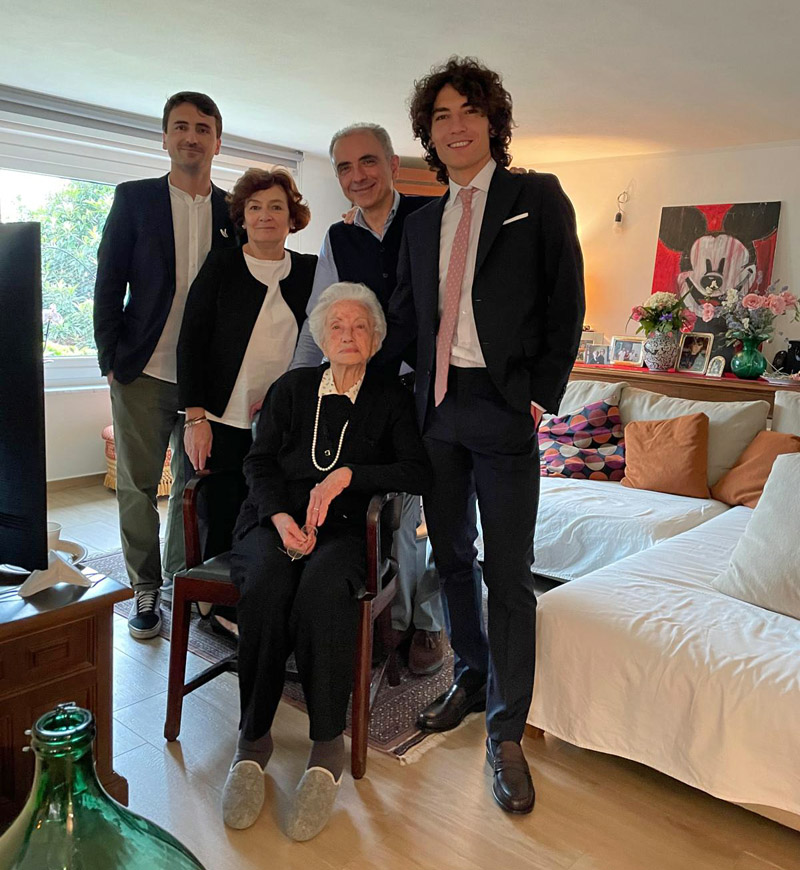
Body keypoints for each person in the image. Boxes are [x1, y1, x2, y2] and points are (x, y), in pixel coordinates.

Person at [379, 57, 585, 814]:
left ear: (493, 121)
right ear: (429, 135)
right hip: (437, 409)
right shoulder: (419, 222)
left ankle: (507, 730)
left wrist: (537, 397)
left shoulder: (538, 198)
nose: (456, 125)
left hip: (502, 408)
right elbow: (405, 317)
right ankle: (470, 675)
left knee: (509, 570)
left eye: (469, 110)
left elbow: (566, 302)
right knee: (450, 557)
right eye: (441, 115)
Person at [222, 282, 431, 840]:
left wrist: (348, 476)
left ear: (376, 339)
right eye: (337, 326)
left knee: (322, 593)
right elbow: (259, 463)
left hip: (345, 531)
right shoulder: (291, 390)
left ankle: (325, 746)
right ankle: (253, 740)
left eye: (360, 326)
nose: (348, 335)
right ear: (320, 336)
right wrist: (277, 518)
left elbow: (416, 471)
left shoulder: (390, 398)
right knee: (265, 584)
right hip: (275, 521)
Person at [291, 122, 446, 675]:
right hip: (372, 395)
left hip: (430, 387)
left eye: (369, 161)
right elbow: (321, 316)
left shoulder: (432, 217)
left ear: (393, 165)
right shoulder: (338, 239)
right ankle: (390, 619)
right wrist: (296, 385)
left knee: (438, 512)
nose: (357, 175)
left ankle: (427, 621)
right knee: (389, 510)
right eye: (344, 166)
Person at [94, 91, 237, 640]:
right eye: (181, 126)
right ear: (165, 138)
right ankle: (146, 588)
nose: (191, 137)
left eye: (202, 128)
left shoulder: (234, 211)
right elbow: (108, 282)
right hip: (143, 371)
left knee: (191, 486)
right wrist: (110, 358)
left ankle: (182, 580)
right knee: (137, 486)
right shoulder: (134, 199)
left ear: (217, 142)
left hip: (207, 380)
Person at [177, 168, 316, 559]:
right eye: (254, 207)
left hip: (283, 421)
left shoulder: (310, 271)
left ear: (292, 218)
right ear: (242, 217)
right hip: (221, 419)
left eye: (276, 207)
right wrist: (195, 420)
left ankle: (265, 585)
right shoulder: (220, 265)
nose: (265, 215)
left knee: (273, 513)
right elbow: (191, 343)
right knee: (219, 518)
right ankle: (217, 592)